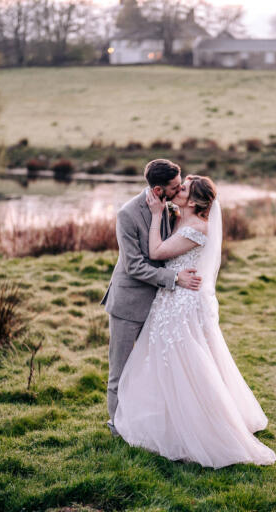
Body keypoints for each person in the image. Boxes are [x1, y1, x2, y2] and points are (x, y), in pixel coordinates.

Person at [113, 174, 276, 469]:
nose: (178, 191)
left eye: (184, 189)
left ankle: (203, 427)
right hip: (171, 296)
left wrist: (153, 215)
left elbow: (156, 252)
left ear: (193, 201)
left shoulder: (196, 227)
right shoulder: (180, 218)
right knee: (165, 364)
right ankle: (169, 421)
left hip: (180, 302)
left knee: (184, 362)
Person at [101, 159, 202, 438]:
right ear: (158, 190)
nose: (181, 189)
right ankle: (117, 428)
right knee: (119, 371)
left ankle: (147, 425)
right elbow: (134, 266)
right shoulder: (127, 215)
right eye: (175, 187)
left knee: (153, 369)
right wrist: (174, 279)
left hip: (161, 306)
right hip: (129, 304)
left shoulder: (171, 209)